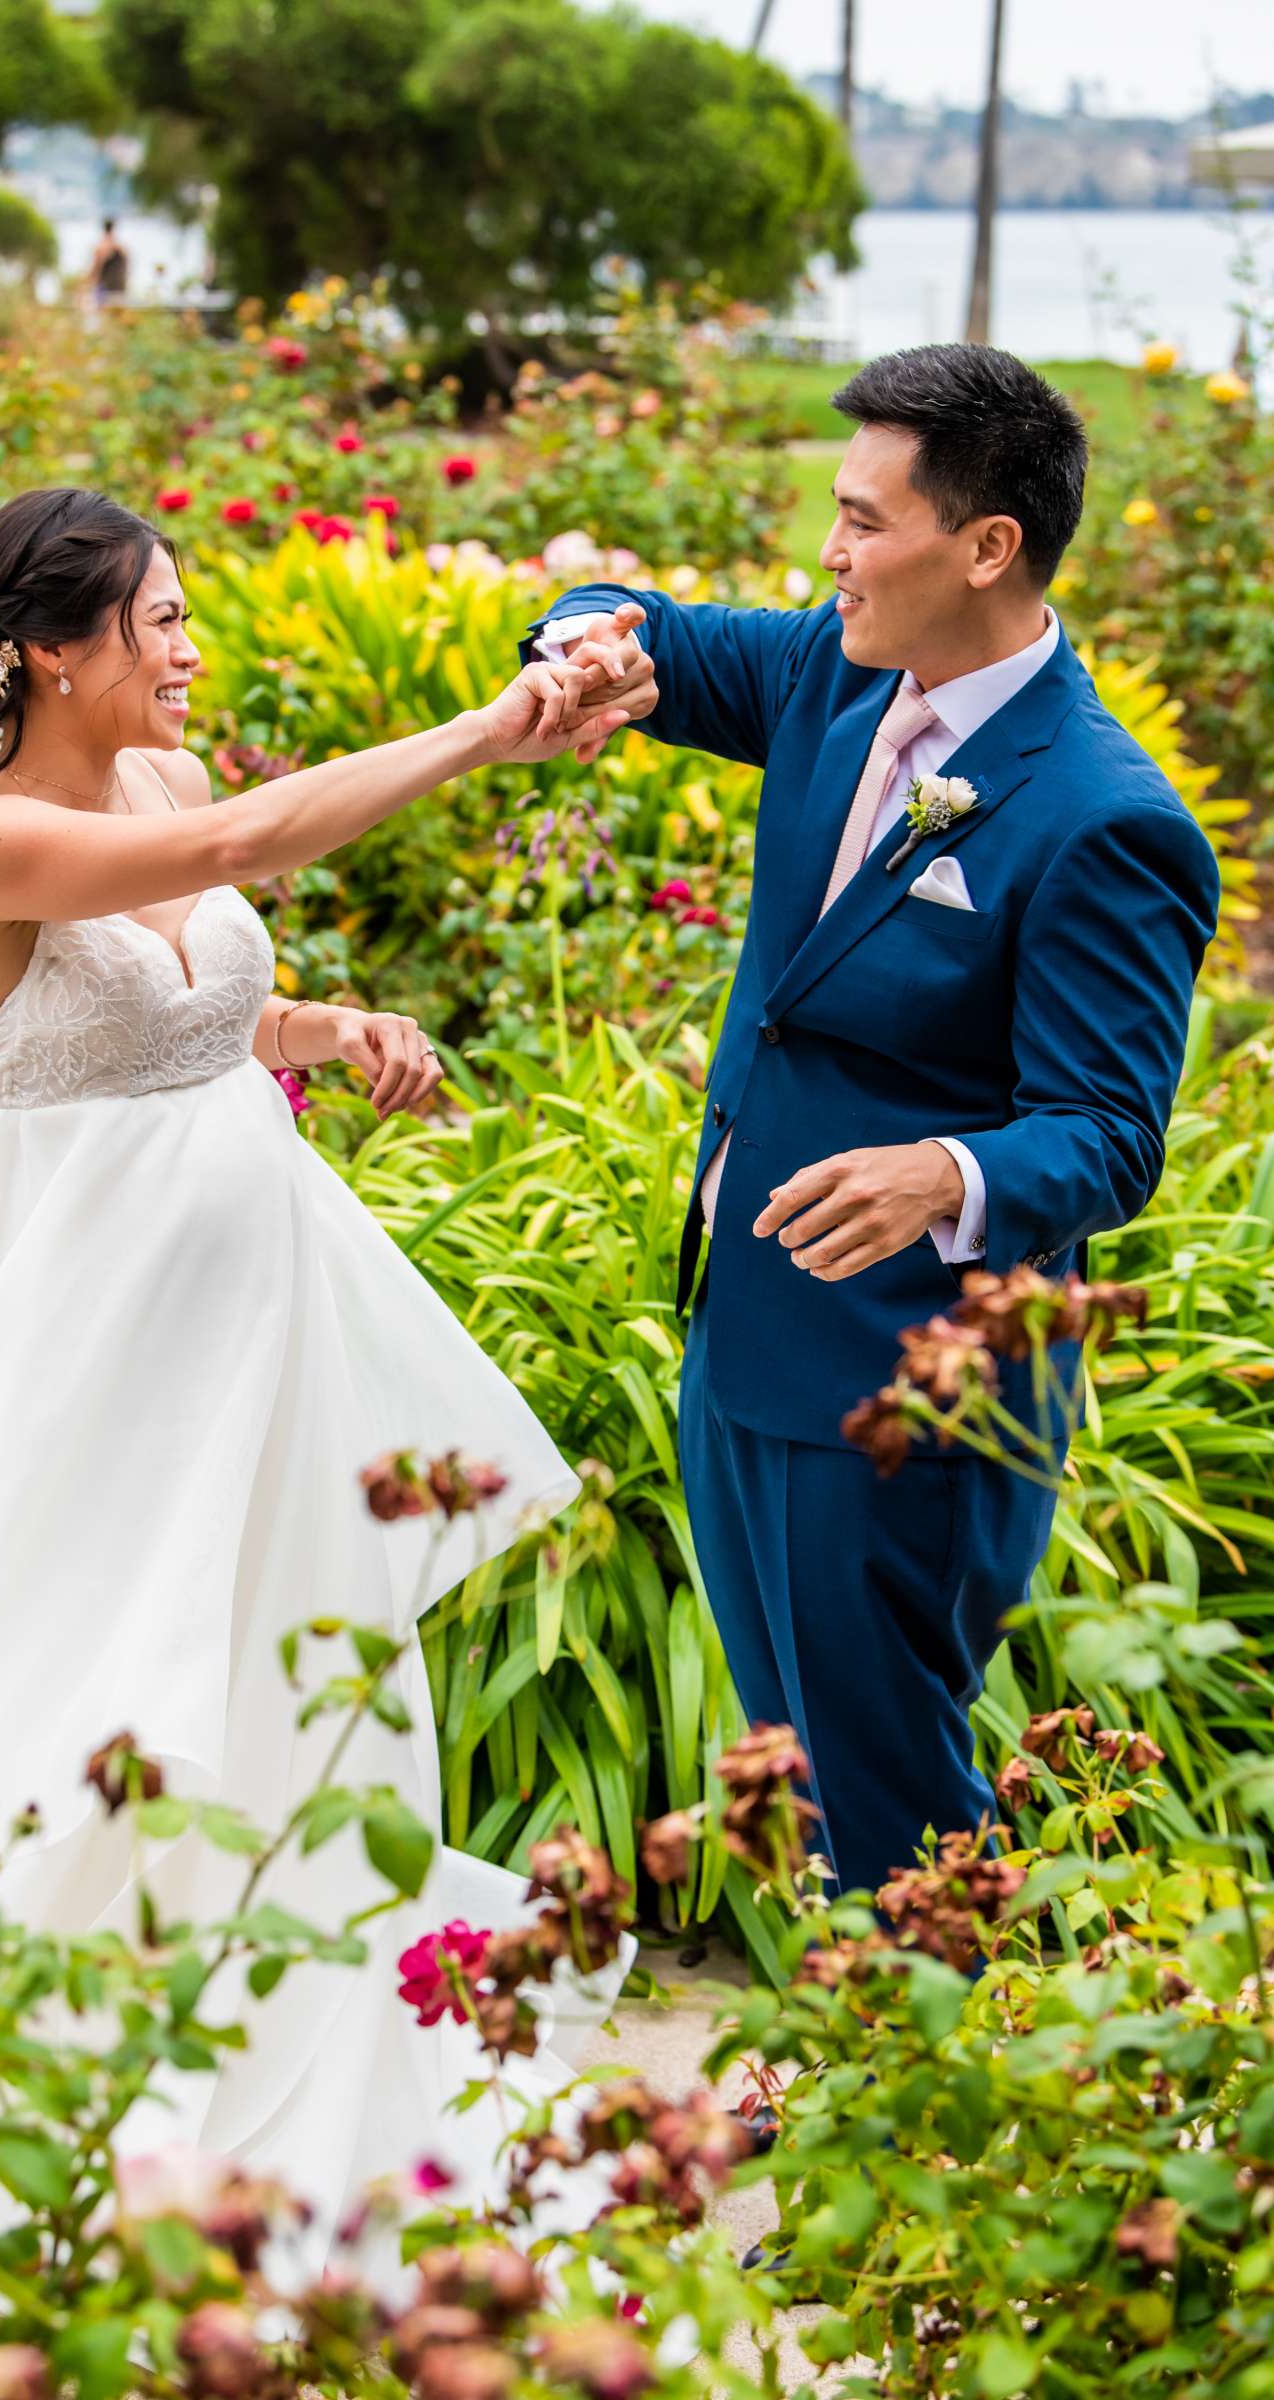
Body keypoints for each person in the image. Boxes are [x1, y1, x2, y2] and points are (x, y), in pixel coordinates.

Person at [0, 487, 651, 2286]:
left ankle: (275, 1984)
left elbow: (179, 997)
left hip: (243, 1325)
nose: (195, 652)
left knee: (271, 1661)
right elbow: (264, 844)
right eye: (162, 625)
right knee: (56, 1674)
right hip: (74, 1335)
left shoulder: (148, 789)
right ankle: (32, 2058)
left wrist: (320, 1027)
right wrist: (493, 730)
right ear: (50, 650)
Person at [524, 343, 1220, 1907]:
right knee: (798, 1769)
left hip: (912, 1385)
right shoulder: (829, 673)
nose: (826, 554)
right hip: (746, 1328)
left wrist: (946, 1170)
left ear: (985, 547)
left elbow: (1107, 1134)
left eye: (860, 521)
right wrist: (580, 644)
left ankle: (945, 2105)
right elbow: (646, 630)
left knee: (895, 1796)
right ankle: (851, 2092)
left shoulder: (1105, 820)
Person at [89, 217, 129, 307]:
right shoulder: (121, 247)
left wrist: (90, 283)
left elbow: (96, 267)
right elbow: (127, 267)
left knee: (102, 315)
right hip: (119, 287)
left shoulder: (101, 246)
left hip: (105, 288)